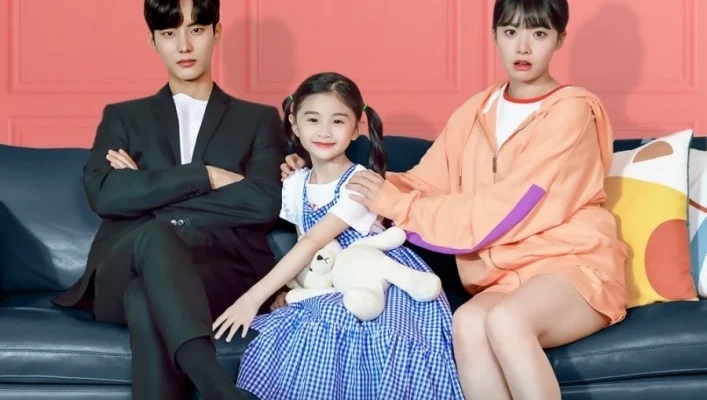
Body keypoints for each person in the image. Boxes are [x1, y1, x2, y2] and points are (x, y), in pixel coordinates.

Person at [280, 0, 629, 399]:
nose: (522, 47)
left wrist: (398, 204)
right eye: (510, 32)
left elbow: (515, 203)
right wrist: (328, 176)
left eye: (539, 33)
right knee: (466, 323)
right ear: (495, 35)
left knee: (507, 322)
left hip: (570, 264)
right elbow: (424, 182)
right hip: (501, 277)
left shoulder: (572, 111)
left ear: (560, 39)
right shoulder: (477, 111)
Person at [52, 0, 286, 399]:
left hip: (217, 273)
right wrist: (205, 176)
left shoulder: (258, 120)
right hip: (119, 270)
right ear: (153, 40)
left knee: (145, 296)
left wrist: (144, 189)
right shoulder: (123, 118)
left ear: (216, 33)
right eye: (169, 33)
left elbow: (262, 202)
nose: (184, 45)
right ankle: (218, 389)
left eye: (196, 30)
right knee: (154, 238)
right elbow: (105, 195)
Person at [212, 72, 464, 400]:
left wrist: (251, 299)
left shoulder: (360, 184)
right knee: (301, 328)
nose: (325, 131)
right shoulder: (295, 182)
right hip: (329, 284)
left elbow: (312, 242)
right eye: (313, 119)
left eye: (338, 121)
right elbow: (269, 208)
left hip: (378, 285)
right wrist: (202, 175)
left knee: (340, 324)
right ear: (295, 124)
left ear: (356, 127)